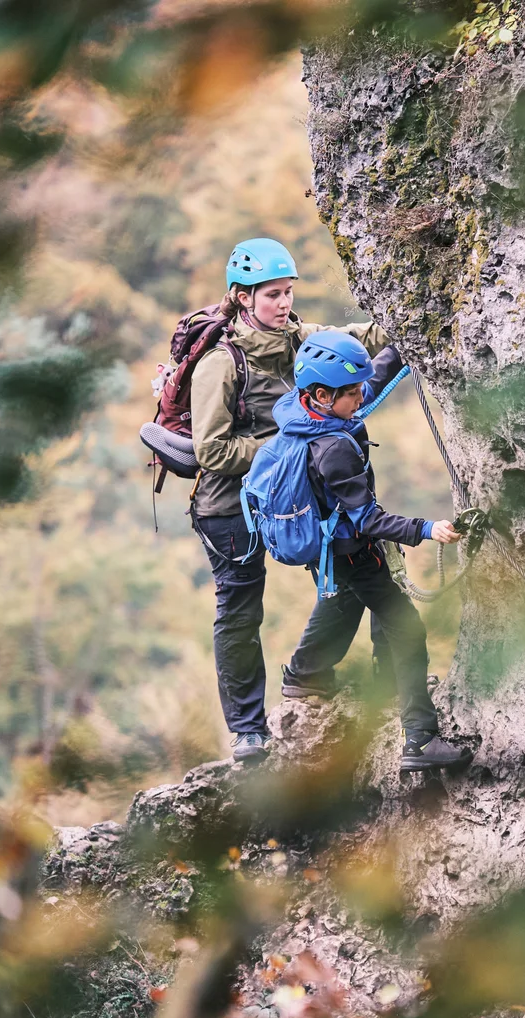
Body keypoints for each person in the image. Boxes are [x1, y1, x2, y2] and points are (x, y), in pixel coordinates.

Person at [190, 238, 392, 763]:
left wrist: (407, 319)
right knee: (239, 610)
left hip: (300, 496)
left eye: (287, 292)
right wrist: (286, 450)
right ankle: (248, 731)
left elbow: (364, 340)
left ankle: (307, 676)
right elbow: (210, 448)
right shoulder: (221, 364)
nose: (283, 304)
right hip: (230, 505)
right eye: (272, 295)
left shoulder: (304, 339)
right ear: (241, 298)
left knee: (351, 578)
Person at [273, 331, 473, 773]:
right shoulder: (333, 451)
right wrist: (425, 529)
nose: (360, 396)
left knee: (343, 606)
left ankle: (305, 677)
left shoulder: (302, 411)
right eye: (350, 392)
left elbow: (370, 381)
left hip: (324, 549)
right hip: (352, 552)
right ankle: (419, 739)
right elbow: (368, 520)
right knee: (407, 629)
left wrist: (403, 341)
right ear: (323, 396)